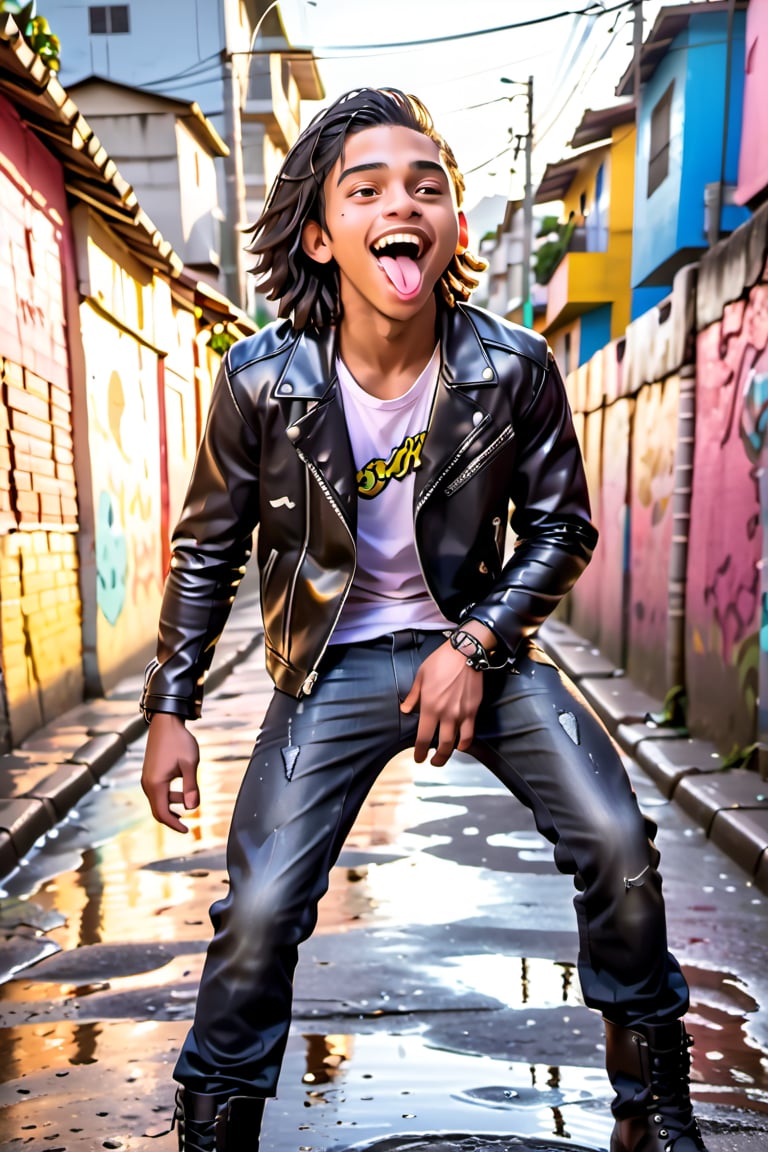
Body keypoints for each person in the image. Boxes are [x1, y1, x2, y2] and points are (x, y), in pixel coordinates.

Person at [140, 87, 707, 1152]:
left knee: (618, 837)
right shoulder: (261, 380)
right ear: (320, 234)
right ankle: (215, 1131)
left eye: (428, 184)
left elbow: (562, 531)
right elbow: (208, 547)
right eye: (367, 189)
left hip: (478, 649)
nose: (404, 202)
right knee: (259, 911)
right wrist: (170, 708)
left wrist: (473, 643)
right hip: (331, 667)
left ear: (450, 223)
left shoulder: (510, 368)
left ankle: (654, 1110)